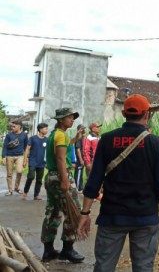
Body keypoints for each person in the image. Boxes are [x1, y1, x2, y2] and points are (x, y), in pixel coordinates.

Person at [78, 94, 159, 272]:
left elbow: (94, 180)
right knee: (143, 267)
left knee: (104, 267)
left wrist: (85, 213)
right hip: (145, 217)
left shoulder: (106, 139)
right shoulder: (154, 142)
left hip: (112, 216)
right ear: (147, 114)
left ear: (123, 113)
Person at [41, 108, 85, 263]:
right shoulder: (60, 135)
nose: (72, 120)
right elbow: (60, 159)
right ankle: (67, 250)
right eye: (69, 118)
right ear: (60, 120)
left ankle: (48, 251)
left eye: (73, 117)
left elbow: (63, 149)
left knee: (52, 212)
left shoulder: (56, 135)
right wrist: (65, 180)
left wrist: (76, 138)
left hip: (51, 177)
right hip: (60, 177)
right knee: (74, 213)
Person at [22, 123, 48, 200]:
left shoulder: (47, 139)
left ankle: (36, 195)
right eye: (45, 128)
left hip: (41, 163)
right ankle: (25, 192)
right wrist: (25, 159)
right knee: (30, 176)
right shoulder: (33, 138)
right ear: (40, 129)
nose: (47, 130)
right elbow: (27, 149)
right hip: (33, 161)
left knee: (39, 179)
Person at [2, 120, 28, 196]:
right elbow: (5, 146)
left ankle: (16, 187)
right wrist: (3, 156)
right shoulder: (9, 135)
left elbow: (26, 147)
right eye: (12, 126)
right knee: (9, 174)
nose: (12, 128)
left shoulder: (24, 135)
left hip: (20, 156)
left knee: (19, 171)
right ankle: (10, 190)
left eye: (14, 126)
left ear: (19, 126)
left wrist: (26, 158)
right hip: (9, 156)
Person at [74, 124, 86, 193]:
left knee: (80, 173)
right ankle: (78, 188)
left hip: (83, 158)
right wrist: (81, 160)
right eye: (82, 128)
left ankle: (80, 187)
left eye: (84, 128)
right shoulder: (78, 138)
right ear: (79, 130)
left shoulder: (83, 137)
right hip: (79, 159)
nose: (84, 130)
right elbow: (78, 149)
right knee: (78, 173)